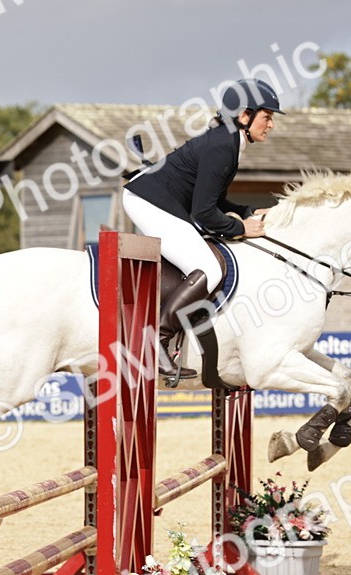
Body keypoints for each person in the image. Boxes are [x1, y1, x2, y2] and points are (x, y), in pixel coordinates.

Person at [122, 78, 283, 378]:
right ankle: (156, 342)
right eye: (267, 116)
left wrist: (247, 212)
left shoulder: (229, 140)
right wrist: (241, 230)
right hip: (148, 202)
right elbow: (205, 213)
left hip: (160, 200)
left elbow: (215, 200)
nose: (271, 124)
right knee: (209, 269)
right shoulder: (224, 145)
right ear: (244, 115)